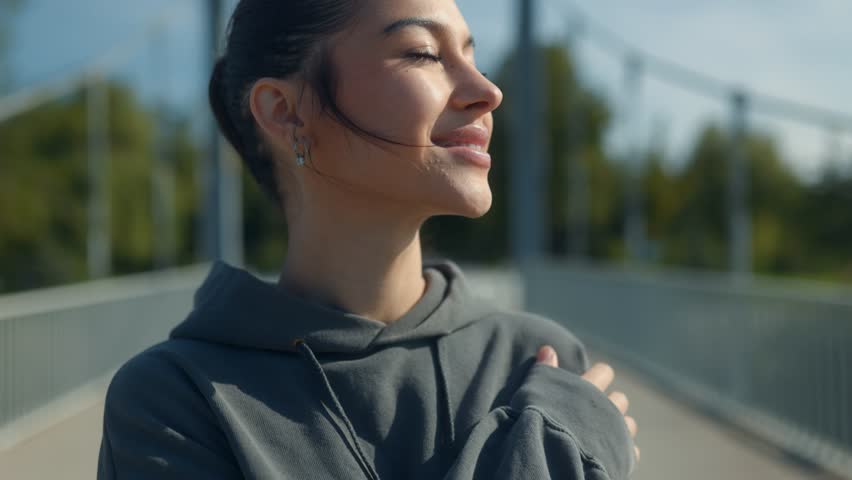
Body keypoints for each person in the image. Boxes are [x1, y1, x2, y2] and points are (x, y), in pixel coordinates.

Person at [97, 0, 639, 478]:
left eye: (471, 55)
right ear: (285, 112)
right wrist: (540, 456)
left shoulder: (537, 360)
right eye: (424, 53)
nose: (488, 91)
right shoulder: (178, 401)